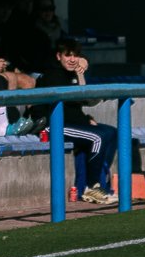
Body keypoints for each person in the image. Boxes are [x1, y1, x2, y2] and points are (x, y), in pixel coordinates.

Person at [35, 38, 119, 205]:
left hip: (72, 122)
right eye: (68, 55)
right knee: (97, 137)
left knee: (111, 133)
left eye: (76, 55)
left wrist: (80, 72)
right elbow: (66, 108)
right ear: (59, 56)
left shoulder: (70, 73)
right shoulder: (52, 74)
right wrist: (85, 121)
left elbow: (79, 101)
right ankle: (91, 187)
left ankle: (98, 184)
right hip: (52, 126)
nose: (72, 59)